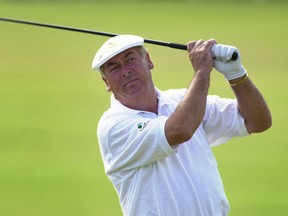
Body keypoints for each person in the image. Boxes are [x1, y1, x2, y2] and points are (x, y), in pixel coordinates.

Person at [92, 35, 272, 216]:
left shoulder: (183, 100)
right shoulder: (113, 126)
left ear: (148, 60)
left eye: (130, 60)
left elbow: (258, 121)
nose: (125, 71)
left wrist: (236, 75)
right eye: (113, 68)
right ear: (106, 82)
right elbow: (179, 130)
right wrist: (202, 71)